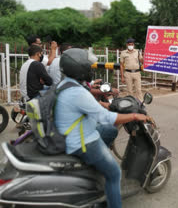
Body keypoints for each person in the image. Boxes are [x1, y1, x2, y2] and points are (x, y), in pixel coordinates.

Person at [55, 48, 149, 208]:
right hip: (81, 142)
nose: (90, 69)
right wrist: (134, 116)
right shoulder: (78, 92)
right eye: (88, 67)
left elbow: (93, 105)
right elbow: (105, 116)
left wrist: (95, 88)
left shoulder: (65, 84)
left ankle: (97, 169)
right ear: (80, 69)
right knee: (114, 173)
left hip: (70, 133)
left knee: (110, 130)